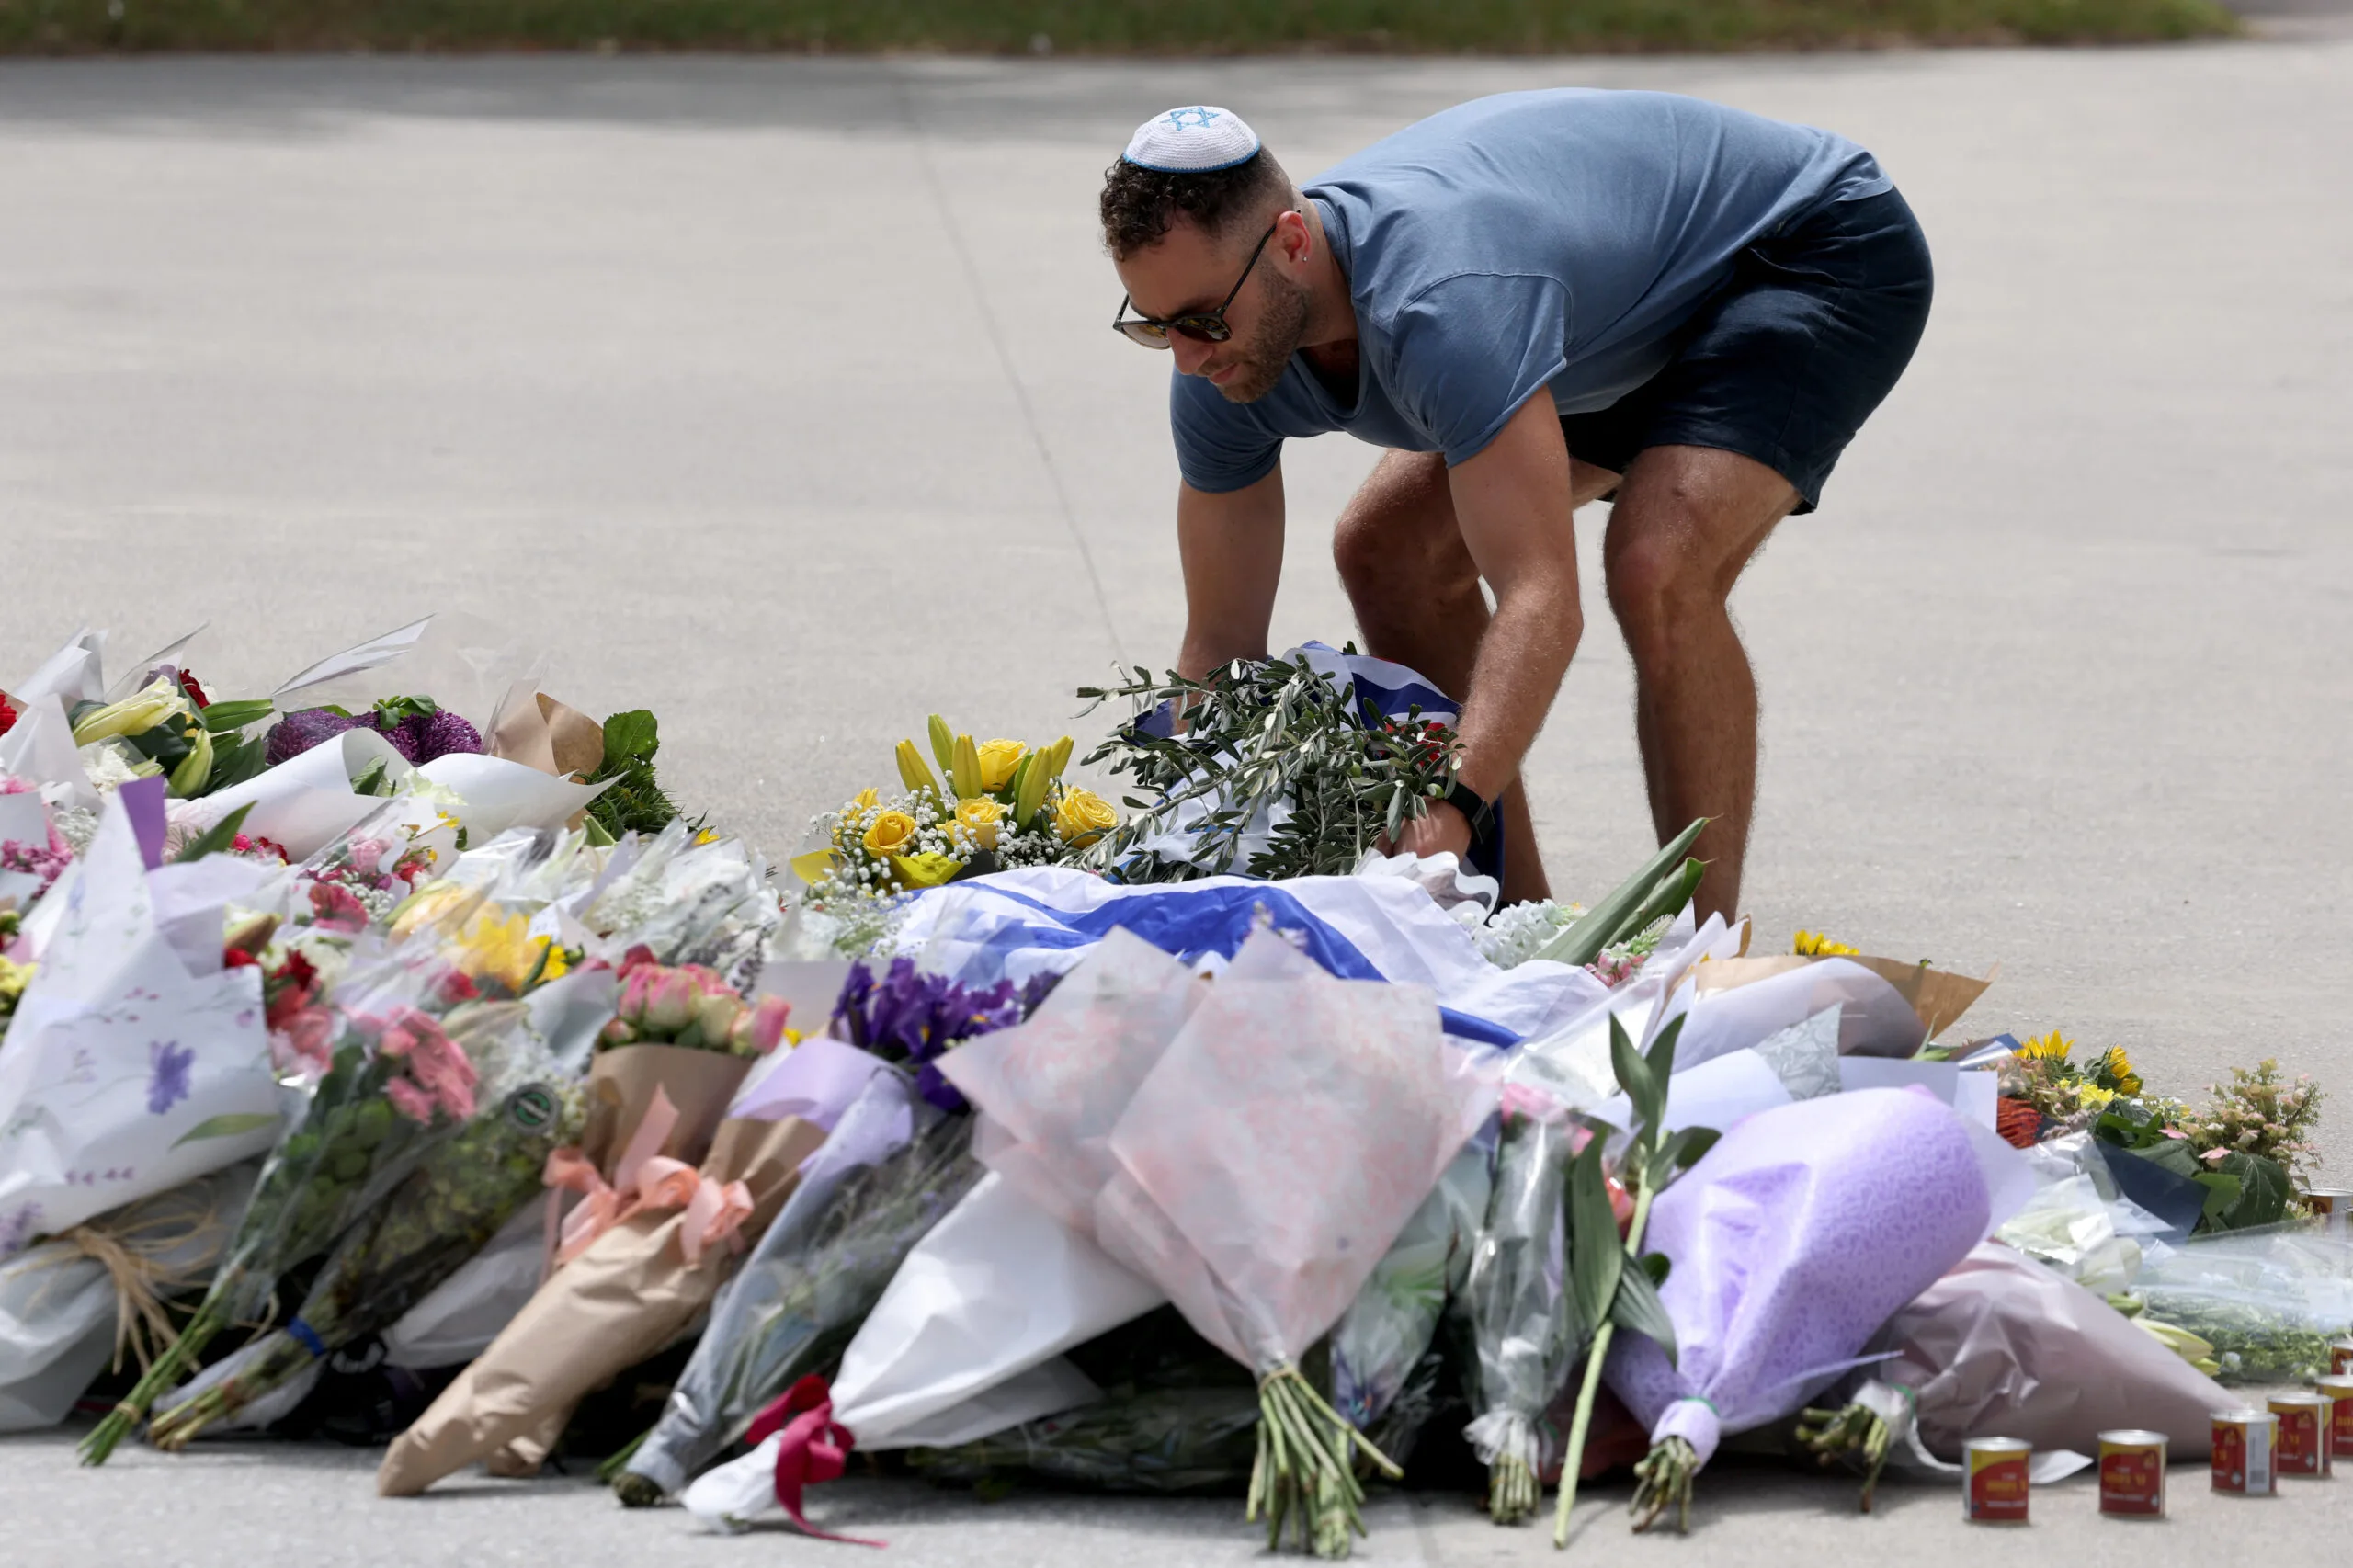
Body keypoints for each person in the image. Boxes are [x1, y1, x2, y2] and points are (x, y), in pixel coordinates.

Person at [1099, 95, 1932, 915]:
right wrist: (1186, 842)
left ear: (1290, 242)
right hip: (1608, 311)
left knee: (1657, 564)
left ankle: (1693, 965)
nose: (1185, 358)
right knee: (1386, 552)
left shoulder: (1447, 306)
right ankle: (1516, 919)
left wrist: (1450, 802)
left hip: (1806, 245)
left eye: (1205, 319)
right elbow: (1220, 645)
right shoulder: (1216, 364)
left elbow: (1541, 597)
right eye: (1154, 325)